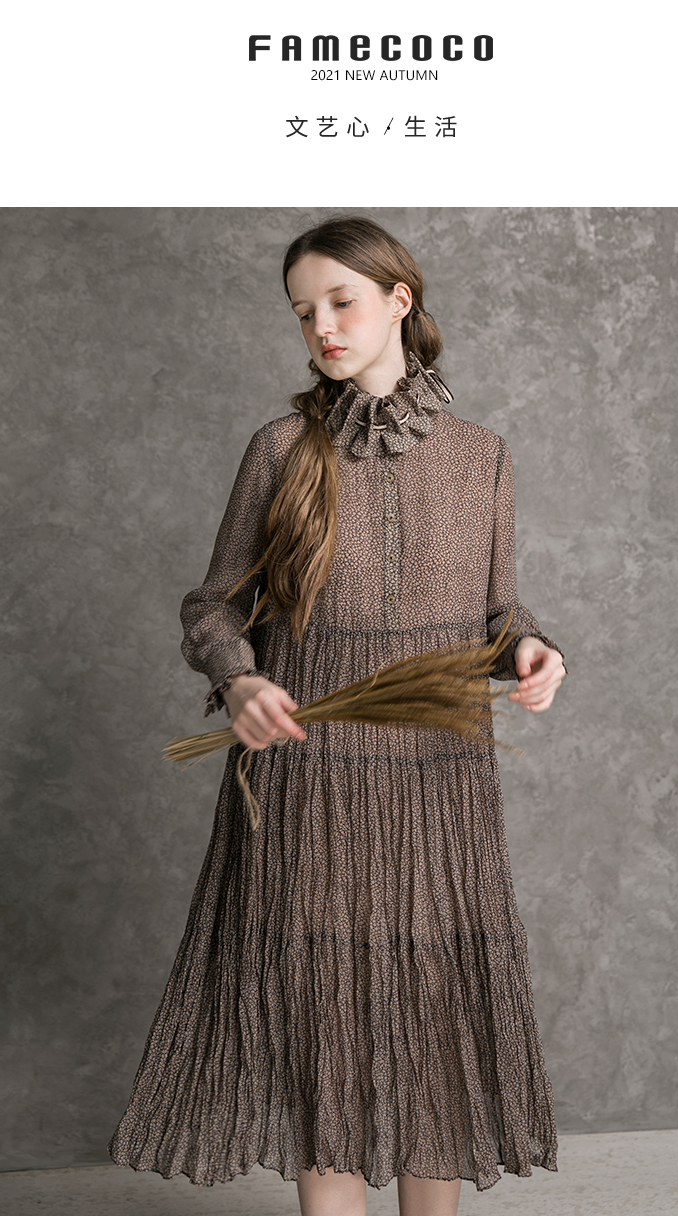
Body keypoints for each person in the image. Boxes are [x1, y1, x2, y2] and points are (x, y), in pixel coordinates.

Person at [108, 216, 566, 1216]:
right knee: (325, 1015)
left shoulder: (483, 457)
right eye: (302, 311)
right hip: (308, 775)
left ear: (400, 300)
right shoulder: (281, 449)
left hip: (439, 779)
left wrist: (533, 649)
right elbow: (214, 605)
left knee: (434, 1015)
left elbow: (500, 613)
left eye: (341, 301)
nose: (321, 325)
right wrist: (239, 679)